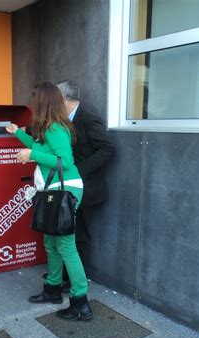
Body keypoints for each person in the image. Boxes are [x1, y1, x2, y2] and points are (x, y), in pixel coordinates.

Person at [6, 81, 92, 321]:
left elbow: (65, 162)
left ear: (44, 102)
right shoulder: (49, 127)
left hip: (65, 190)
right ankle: (52, 290)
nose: (32, 104)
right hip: (52, 190)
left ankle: (80, 301)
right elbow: (37, 146)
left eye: (35, 99)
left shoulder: (56, 128)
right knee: (51, 244)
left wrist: (32, 155)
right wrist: (18, 134)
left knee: (65, 246)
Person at [55, 80, 115, 289]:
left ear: (65, 98)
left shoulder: (88, 118)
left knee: (79, 236)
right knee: (67, 233)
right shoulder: (62, 120)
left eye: (56, 97)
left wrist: (78, 171)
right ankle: (64, 276)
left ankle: (75, 281)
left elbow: (107, 149)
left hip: (86, 189)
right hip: (70, 188)